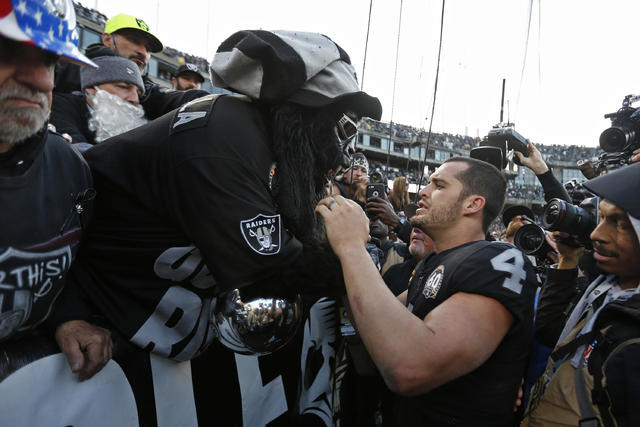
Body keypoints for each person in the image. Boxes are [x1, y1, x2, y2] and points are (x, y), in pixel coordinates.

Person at [51, 29, 381, 381]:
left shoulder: (264, 142)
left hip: (147, 316)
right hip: (92, 304)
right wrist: (354, 253)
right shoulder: (226, 136)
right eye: (343, 126)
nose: (345, 148)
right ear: (303, 114)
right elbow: (283, 266)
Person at [317, 156, 538, 426]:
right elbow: (376, 323)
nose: (422, 191)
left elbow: (409, 367)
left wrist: (352, 247)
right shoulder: (432, 261)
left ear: (473, 204)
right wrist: (338, 259)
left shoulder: (500, 260)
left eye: (439, 185)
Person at [0, 0, 110, 373]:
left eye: (50, 60)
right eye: (9, 50)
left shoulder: (71, 170)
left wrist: (69, 316)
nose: (43, 80)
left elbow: (69, 267)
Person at [523, 163, 640, 427]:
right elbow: (549, 332)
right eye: (601, 218)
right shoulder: (607, 291)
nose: (597, 234)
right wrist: (567, 260)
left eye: (619, 223)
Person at [54, 13, 208, 120]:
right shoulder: (67, 68)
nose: (142, 52)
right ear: (108, 39)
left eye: (148, 49)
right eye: (135, 41)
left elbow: (171, 99)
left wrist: (215, 101)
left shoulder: (147, 92)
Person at [50, 56, 146, 151]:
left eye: (138, 93)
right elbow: (76, 150)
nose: (135, 99)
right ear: (91, 88)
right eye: (123, 87)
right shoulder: (60, 105)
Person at [383, 227, 434, 296]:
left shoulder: (447, 275)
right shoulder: (394, 272)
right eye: (414, 225)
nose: (416, 229)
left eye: (424, 225)